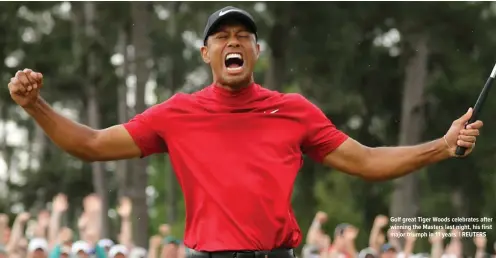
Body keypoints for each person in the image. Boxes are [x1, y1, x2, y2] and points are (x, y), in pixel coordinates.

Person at [7, 4, 483, 258]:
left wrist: (442, 146)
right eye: (221, 37)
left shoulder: (293, 110)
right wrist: (36, 106)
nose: (232, 42)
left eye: (242, 37)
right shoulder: (177, 113)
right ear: (205, 53)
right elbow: (89, 146)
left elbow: (366, 162)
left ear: (256, 51)